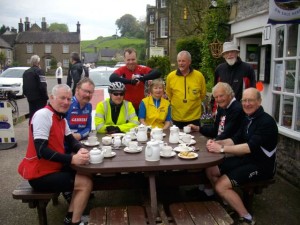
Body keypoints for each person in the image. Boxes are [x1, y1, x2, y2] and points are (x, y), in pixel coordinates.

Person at [18, 84, 93, 225]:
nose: (66, 102)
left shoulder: (61, 118)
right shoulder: (42, 115)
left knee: (85, 174)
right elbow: (42, 151)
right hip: (39, 175)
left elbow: (71, 141)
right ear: (51, 98)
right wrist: (72, 158)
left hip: (53, 168)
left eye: (69, 99)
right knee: (85, 183)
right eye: (62, 98)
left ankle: (70, 217)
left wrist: (81, 149)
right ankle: (75, 221)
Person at [205, 88, 278, 225]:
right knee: (211, 169)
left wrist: (221, 149)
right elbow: (236, 138)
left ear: (259, 102)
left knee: (221, 186)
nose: (246, 103)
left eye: (250, 100)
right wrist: (217, 142)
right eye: (244, 100)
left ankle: (247, 217)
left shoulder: (266, 122)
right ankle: (228, 203)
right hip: (247, 159)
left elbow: (248, 147)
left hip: (262, 165)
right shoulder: (248, 118)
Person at [188, 82, 244, 199]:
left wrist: (213, 142)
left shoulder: (237, 109)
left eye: (221, 96)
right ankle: (205, 188)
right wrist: (198, 128)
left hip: (232, 148)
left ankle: (212, 194)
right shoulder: (222, 107)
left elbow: (226, 133)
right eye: (216, 97)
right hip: (220, 142)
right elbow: (215, 129)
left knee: (201, 155)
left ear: (230, 94)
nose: (218, 99)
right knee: (197, 150)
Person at [109, 48, 161, 113]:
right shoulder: (122, 70)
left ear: (136, 59)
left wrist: (141, 78)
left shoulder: (141, 69)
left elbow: (157, 73)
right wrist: (130, 81)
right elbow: (112, 78)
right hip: (126, 108)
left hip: (141, 107)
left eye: (133, 59)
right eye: (128, 60)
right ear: (124, 60)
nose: (131, 62)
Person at [166, 50, 206, 129]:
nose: (181, 63)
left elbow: (202, 94)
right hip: (177, 118)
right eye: (179, 61)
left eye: (183, 61)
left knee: (195, 140)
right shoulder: (171, 76)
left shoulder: (199, 76)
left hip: (194, 118)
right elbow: (169, 94)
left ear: (189, 62)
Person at [23, 54, 49, 123]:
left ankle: (31, 130)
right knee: (41, 116)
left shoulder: (26, 72)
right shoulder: (40, 71)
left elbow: (24, 87)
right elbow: (43, 85)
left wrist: (27, 95)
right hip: (40, 98)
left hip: (30, 98)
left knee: (32, 114)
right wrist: (45, 97)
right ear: (38, 62)